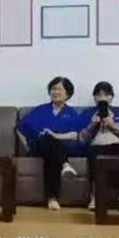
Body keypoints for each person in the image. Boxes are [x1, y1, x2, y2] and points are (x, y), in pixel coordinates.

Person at [16, 77, 83, 210]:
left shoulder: (72, 114)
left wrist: (55, 136)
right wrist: (28, 145)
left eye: (59, 89)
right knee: (47, 140)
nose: (55, 92)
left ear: (68, 94)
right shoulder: (40, 110)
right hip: (39, 147)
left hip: (63, 148)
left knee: (52, 151)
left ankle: (52, 198)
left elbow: (76, 135)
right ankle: (65, 166)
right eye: (53, 89)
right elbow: (20, 127)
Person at [77, 82, 119, 211]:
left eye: (106, 95)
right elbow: (81, 139)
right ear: (94, 97)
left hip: (117, 147)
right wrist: (92, 125)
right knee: (95, 155)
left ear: (112, 97)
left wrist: (114, 126)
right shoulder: (87, 113)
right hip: (96, 147)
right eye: (99, 95)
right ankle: (94, 197)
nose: (103, 98)